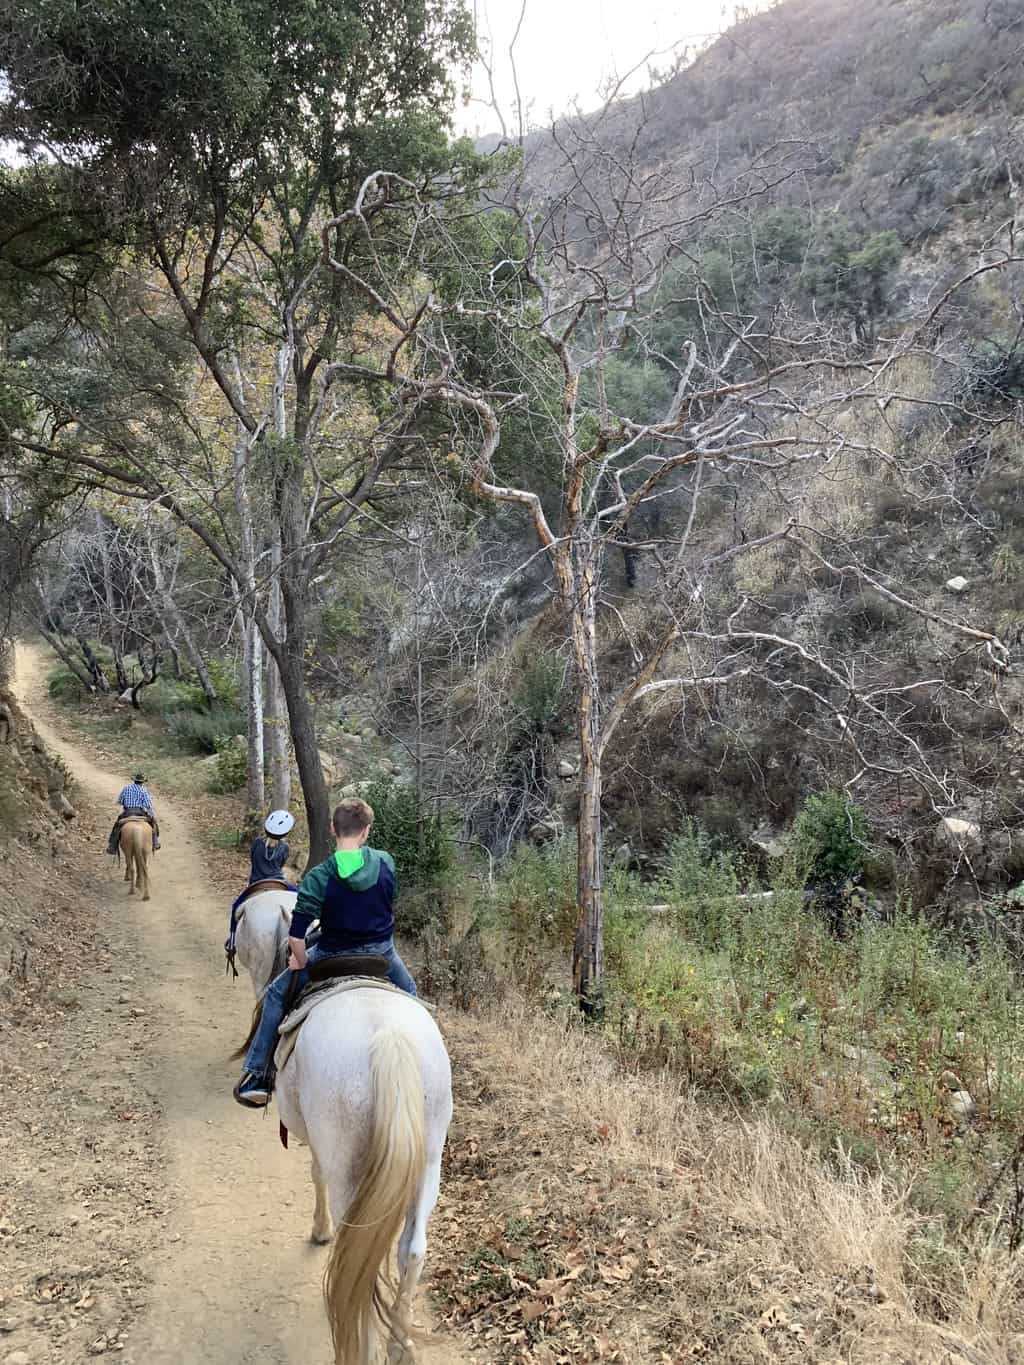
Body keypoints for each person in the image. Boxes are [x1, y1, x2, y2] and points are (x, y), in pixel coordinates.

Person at [234, 796, 416, 1108]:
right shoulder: (386, 862)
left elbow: (296, 936)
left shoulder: (320, 875)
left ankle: (257, 1074)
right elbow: (386, 903)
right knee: (410, 991)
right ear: (367, 831)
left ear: (333, 828)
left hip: (332, 952)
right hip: (382, 953)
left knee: (276, 996)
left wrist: (299, 960)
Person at [107, 772, 160, 854]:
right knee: (153, 824)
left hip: (127, 812)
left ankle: (112, 846)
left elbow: (120, 801)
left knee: (117, 826)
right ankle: (155, 842)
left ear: (134, 781)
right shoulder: (143, 790)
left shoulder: (126, 788)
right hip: (140, 812)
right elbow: (148, 805)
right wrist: (152, 815)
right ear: (142, 782)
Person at [248, 809, 295, 884]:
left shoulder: (257, 842)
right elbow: (281, 865)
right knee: (295, 892)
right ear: (285, 832)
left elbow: (252, 860)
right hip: (277, 882)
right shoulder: (284, 847)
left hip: (255, 882)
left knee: (242, 896)